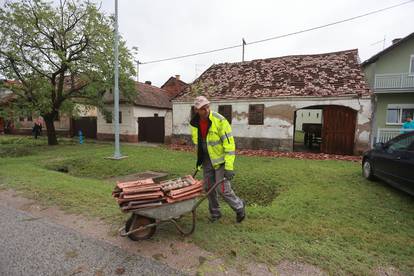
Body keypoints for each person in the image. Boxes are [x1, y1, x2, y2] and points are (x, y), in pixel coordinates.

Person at [190, 96, 245, 223]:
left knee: (223, 189)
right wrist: (199, 161)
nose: (206, 110)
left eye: (207, 107)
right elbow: (198, 143)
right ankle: (215, 214)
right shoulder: (194, 123)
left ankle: (239, 207)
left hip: (220, 160)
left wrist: (229, 167)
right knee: (209, 188)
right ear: (196, 110)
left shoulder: (220, 121)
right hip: (206, 160)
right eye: (203, 108)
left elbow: (230, 145)